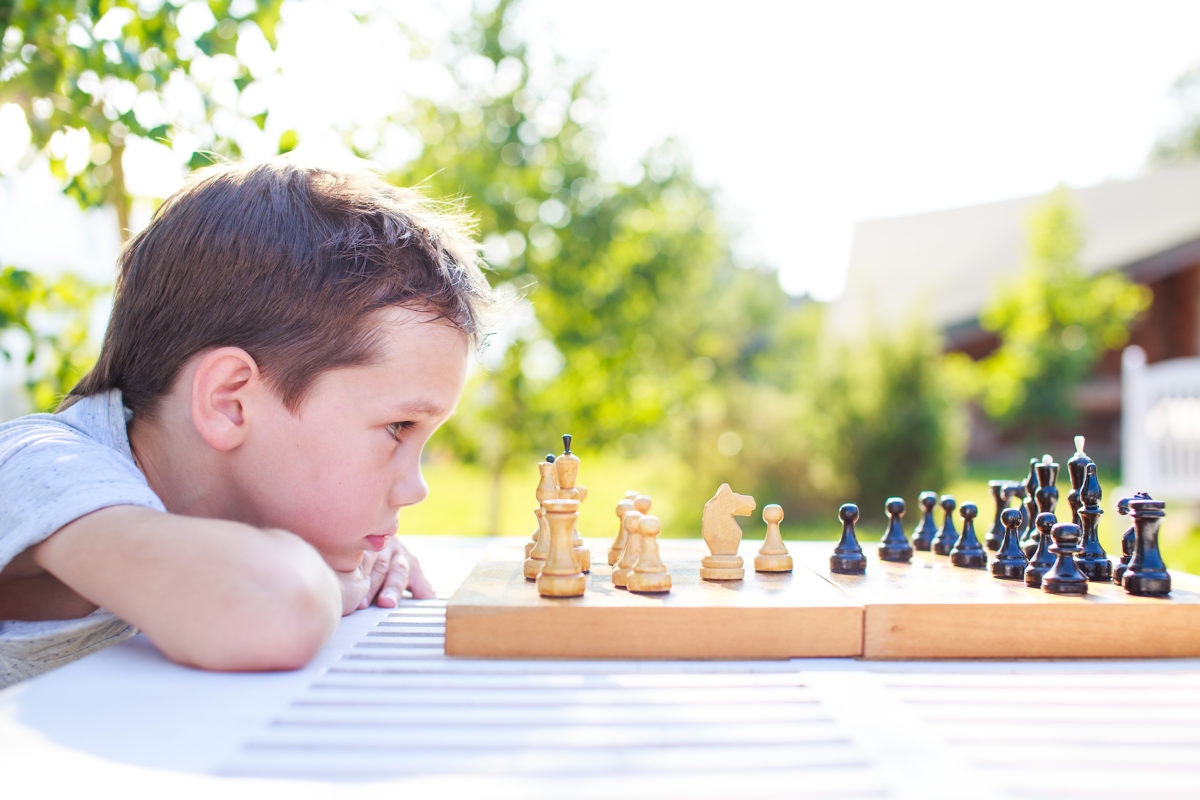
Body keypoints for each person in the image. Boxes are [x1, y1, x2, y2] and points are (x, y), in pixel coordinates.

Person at [0, 157, 495, 688]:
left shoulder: (208, 514)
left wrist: (340, 551)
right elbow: (275, 607)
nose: (416, 488)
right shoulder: (41, 465)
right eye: (399, 427)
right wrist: (324, 583)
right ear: (229, 402)